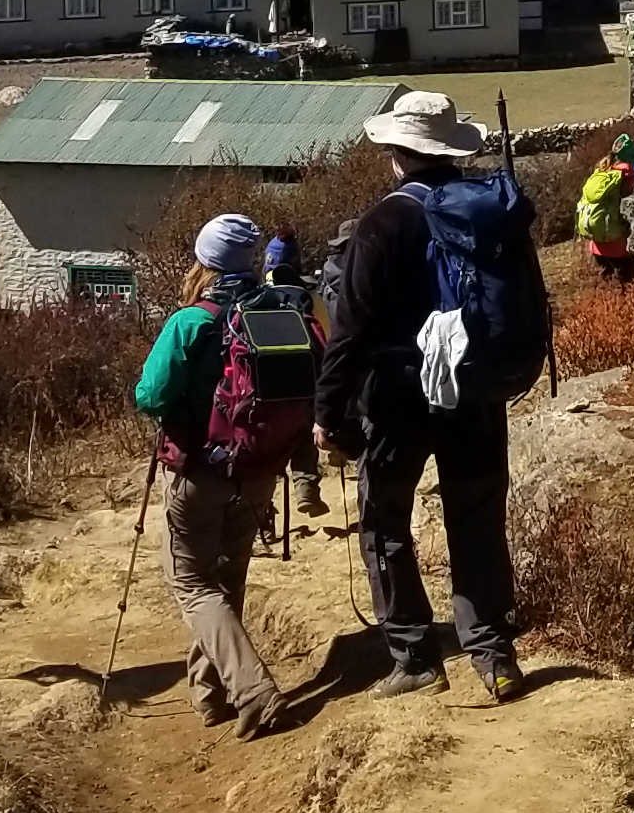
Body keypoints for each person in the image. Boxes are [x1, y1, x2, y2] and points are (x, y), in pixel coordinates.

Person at [316, 92, 550, 702]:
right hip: (476, 390)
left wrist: (329, 410)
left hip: (400, 397)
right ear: (451, 150)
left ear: (396, 153)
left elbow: (353, 330)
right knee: (476, 519)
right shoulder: (490, 211)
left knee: (385, 521)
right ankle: (495, 656)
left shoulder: (382, 223)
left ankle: (416, 655)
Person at [132, 213, 315, 733]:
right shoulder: (280, 310)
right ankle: (210, 694)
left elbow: (151, 395)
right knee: (226, 580)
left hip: (198, 469)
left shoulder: (192, 320)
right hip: (259, 468)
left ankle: (254, 692)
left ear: (205, 260)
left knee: (193, 584)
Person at [574, 136, 634, 287]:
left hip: (597, 244)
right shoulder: (627, 176)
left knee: (608, 286)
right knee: (625, 288)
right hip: (620, 246)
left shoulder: (600, 173)